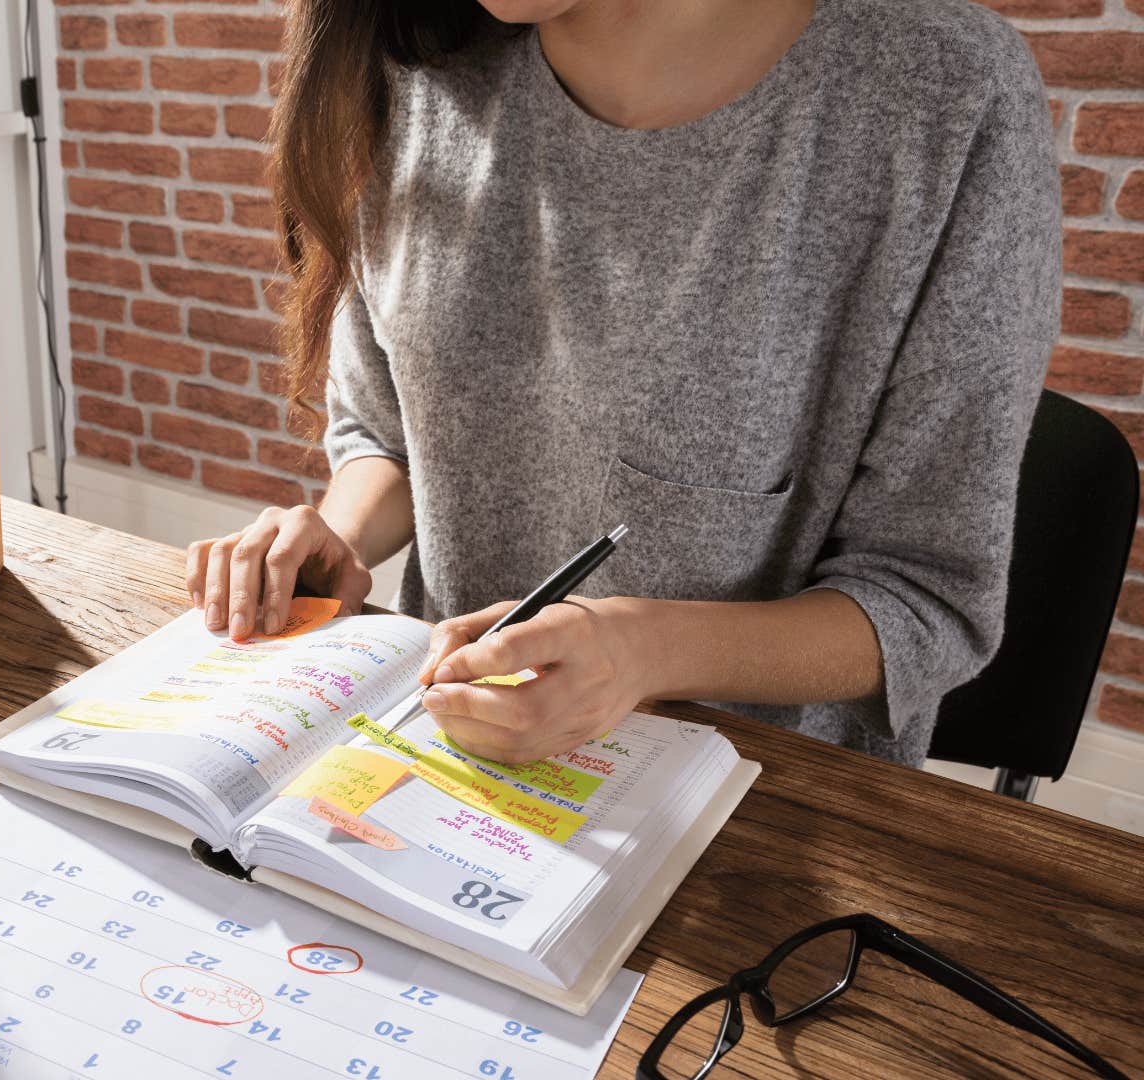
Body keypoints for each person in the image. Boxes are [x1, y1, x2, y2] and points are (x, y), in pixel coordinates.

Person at [183, 0, 1061, 767]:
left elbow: (927, 598)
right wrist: (336, 540)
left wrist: (641, 651)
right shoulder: (413, 74)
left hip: (757, 811)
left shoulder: (941, 95)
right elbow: (389, 438)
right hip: (441, 760)